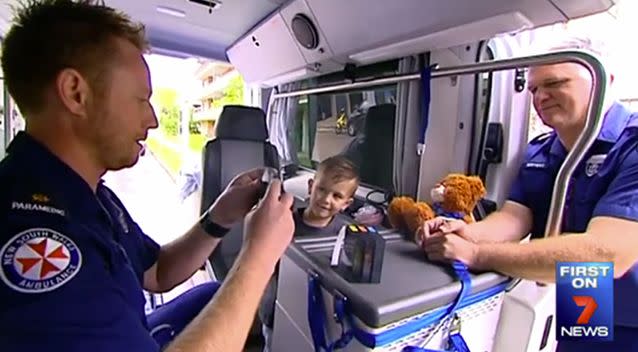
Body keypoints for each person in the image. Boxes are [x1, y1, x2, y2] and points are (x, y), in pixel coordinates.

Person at [0, 1, 294, 351]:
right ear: (76, 93)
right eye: (141, 100)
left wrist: (221, 215)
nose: (153, 120)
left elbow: (157, 272)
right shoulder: (35, 239)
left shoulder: (88, 194)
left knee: (213, 293)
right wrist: (259, 255)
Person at [418, 36, 638, 351]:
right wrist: (467, 232)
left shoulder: (631, 146)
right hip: (582, 299)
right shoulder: (540, 152)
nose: (540, 97)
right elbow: (514, 217)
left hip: (628, 313)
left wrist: (477, 254)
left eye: (554, 83)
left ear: (604, 80)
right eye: (534, 89)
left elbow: (606, 256)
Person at [259, 155, 360, 351]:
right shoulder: (284, 223)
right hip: (277, 308)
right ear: (311, 186)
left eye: (337, 196)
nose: (326, 199)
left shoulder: (346, 233)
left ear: (346, 204)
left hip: (317, 313)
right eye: (321, 189)